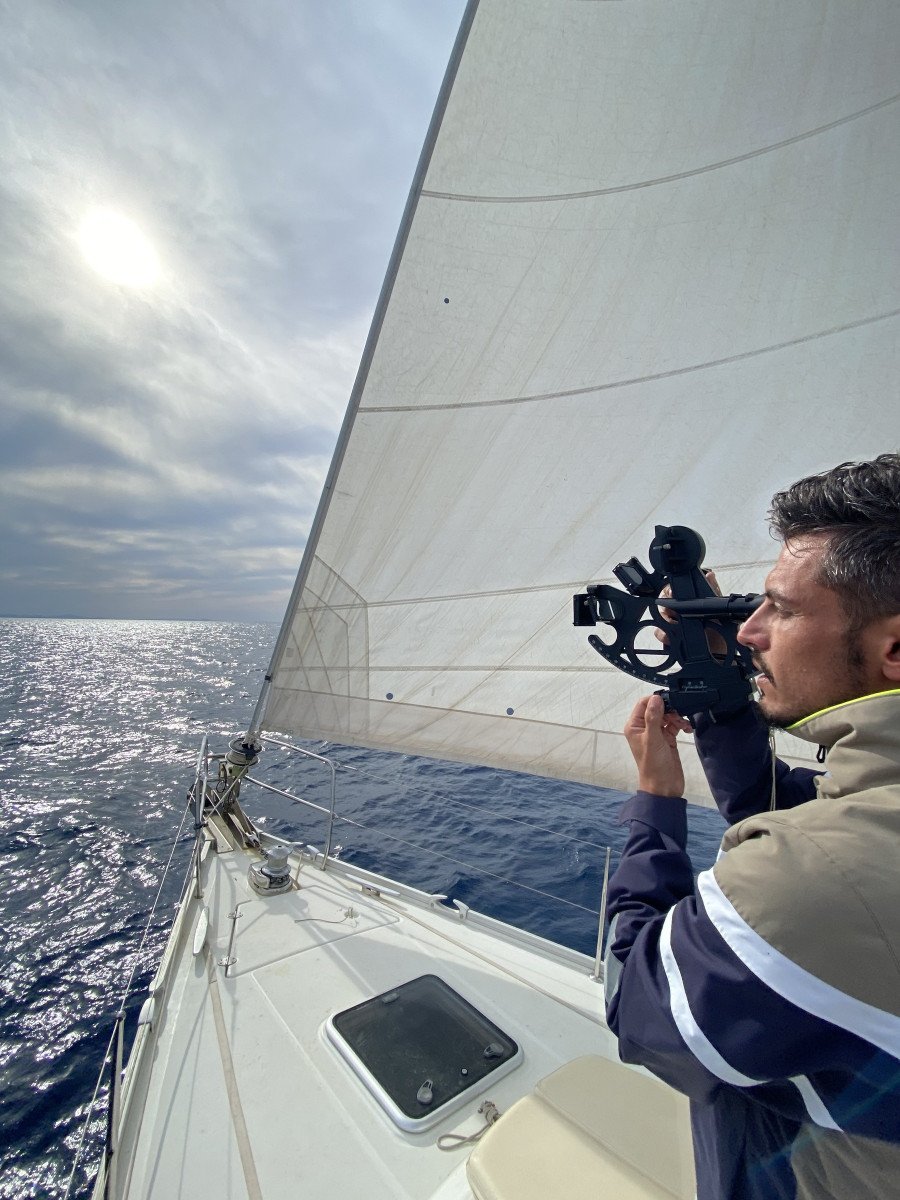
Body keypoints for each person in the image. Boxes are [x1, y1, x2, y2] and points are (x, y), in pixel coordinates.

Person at [603, 453, 900, 1200]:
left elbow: (639, 1009)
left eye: (781, 608)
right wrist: (720, 699)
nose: (747, 631)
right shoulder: (865, 826)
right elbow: (789, 814)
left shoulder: (821, 880)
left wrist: (655, 805)